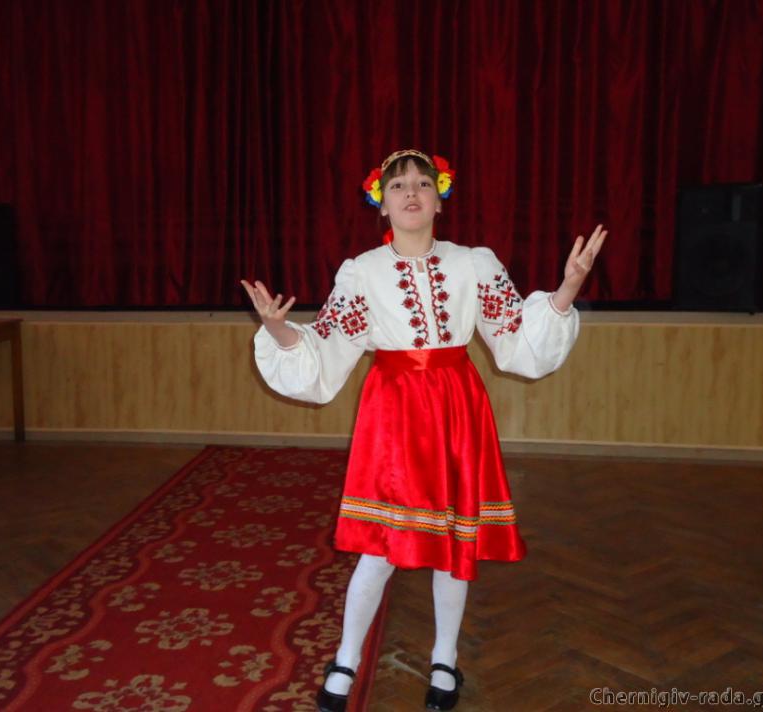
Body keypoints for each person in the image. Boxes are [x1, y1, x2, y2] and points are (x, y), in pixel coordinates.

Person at [241, 149, 606, 711]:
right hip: (394, 416)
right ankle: (346, 659)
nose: (410, 193)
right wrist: (280, 331)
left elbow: (515, 337)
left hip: (457, 408)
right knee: (381, 547)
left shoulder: (473, 264)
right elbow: (328, 346)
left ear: (439, 199)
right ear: (381, 205)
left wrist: (567, 289)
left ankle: (444, 659)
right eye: (397, 186)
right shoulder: (362, 272)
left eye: (421, 184)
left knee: (452, 539)